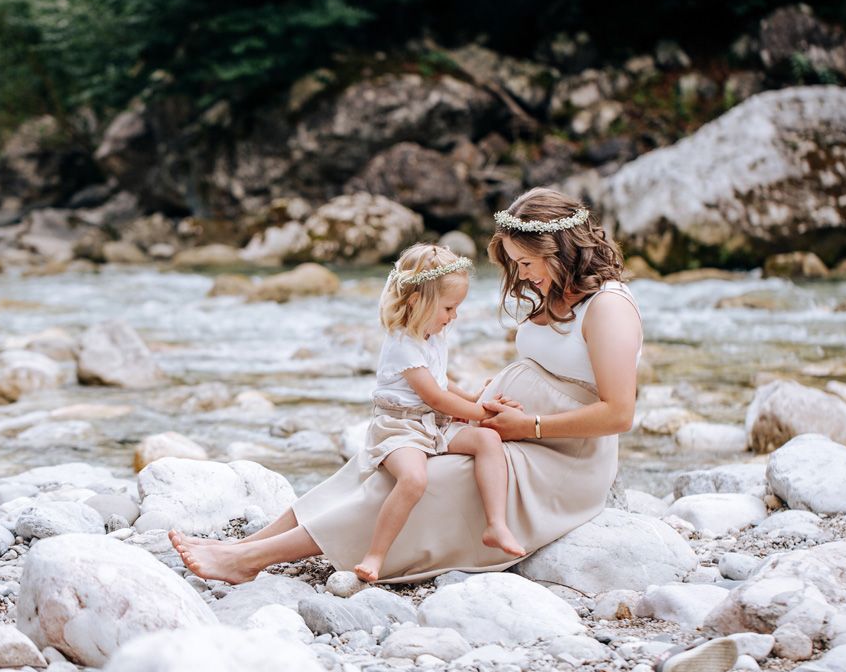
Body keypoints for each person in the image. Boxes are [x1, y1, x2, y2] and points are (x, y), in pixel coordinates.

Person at [170, 187, 642, 585]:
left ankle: (249, 562)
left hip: (563, 455)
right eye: (515, 264)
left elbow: (619, 413)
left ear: (559, 248)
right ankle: (248, 544)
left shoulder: (609, 308)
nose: (521, 277)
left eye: (525, 263)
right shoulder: (557, 294)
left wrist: (529, 425)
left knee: (430, 480)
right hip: (513, 428)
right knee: (381, 461)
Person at [354, 243, 524, 583]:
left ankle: (496, 524)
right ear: (417, 302)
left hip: (433, 424)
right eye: (449, 307)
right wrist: (478, 412)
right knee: (414, 479)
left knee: (488, 440)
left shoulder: (432, 336)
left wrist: (475, 399)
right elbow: (434, 396)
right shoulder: (403, 343)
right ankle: (375, 554)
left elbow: (443, 385)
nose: (454, 316)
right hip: (401, 428)